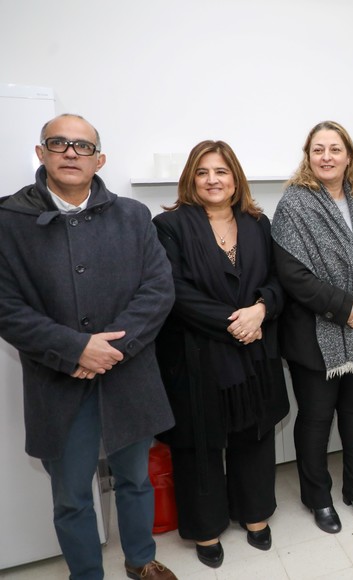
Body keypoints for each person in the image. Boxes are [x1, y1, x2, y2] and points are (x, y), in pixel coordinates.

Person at [0, 114, 177, 580]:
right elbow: (7, 308)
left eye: (83, 146)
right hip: (58, 380)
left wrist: (109, 350)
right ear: (41, 153)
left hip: (128, 374)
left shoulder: (133, 215)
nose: (71, 153)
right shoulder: (8, 221)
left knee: (136, 479)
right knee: (72, 492)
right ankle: (86, 574)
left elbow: (158, 290)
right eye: (59, 144)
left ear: (100, 159)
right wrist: (75, 349)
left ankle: (141, 560)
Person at [153, 140, 289, 568]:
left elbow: (277, 279)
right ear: (191, 178)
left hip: (254, 350)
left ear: (236, 179)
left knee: (254, 432)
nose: (213, 180)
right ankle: (205, 527)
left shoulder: (257, 223)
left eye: (221, 172)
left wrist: (262, 308)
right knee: (199, 443)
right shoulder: (169, 226)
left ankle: (254, 514)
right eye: (203, 172)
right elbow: (174, 291)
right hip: (197, 353)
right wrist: (237, 322)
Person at [272, 121, 353, 534]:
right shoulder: (294, 205)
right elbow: (293, 275)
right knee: (317, 419)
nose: (326, 157)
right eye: (317, 150)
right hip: (314, 337)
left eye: (334, 149)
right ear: (308, 156)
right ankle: (317, 497)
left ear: (349, 156)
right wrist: (345, 310)